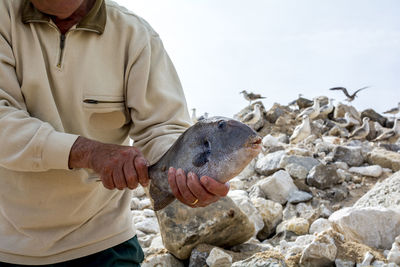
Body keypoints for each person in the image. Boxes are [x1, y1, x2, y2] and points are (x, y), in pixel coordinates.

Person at [0, 0, 230, 265]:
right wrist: (86, 152)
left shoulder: (135, 35)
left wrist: (186, 173)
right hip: (9, 246)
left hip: (103, 243)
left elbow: (161, 129)